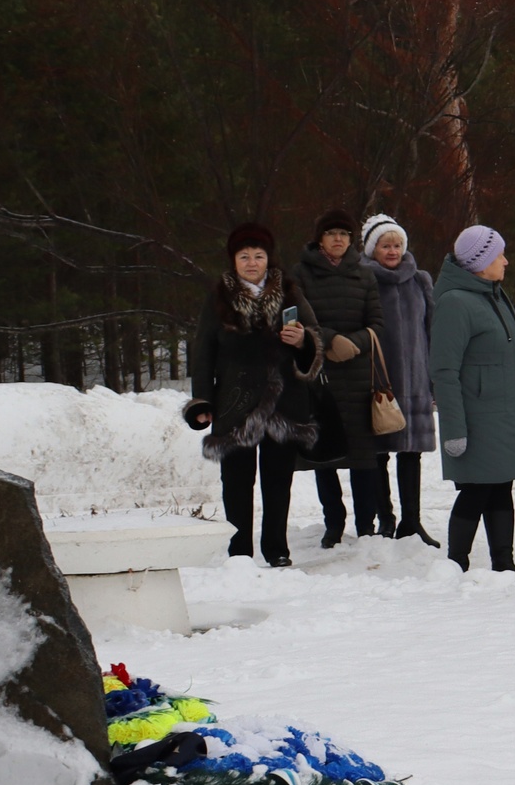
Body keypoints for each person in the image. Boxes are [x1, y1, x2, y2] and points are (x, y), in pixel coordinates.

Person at [186, 222, 320, 566]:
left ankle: (276, 550)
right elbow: (202, 353)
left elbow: (315, 338)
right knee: (236, 483)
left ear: (267, 259)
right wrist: (201, 400)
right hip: (234, 400)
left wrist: (302, 341)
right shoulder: (219, 296)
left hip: (284, 400)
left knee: (278, 482)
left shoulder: (290, 291)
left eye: (258, 255)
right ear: (234, 260)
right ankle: (240, 552)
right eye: (244, 256)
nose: (251, 262)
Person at [427, 224, 515, 581]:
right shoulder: (455, 302)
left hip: (502, 414)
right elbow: (444, 370)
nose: (505, 261)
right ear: (480, 262)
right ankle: (456, 564)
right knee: (476, 489)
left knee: (501, 485)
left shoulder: (493, 294)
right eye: (499, 255)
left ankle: (504, 563)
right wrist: (454, 430)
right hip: (476, 418)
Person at [297, 210, 388, 546]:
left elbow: (378, 323)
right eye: (331, 233)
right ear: (320, 238)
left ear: (352, 240)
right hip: (321, 373)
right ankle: (333, 523)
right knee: (327, 453)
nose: (338, 239)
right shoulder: (301, 274)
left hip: (359, 372)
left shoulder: (364, 276)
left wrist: (356, 343)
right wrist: (330, 339)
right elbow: (298, 320)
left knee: (364, 457)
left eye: (344, 234)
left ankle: (367, 525)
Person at [361, 214, 439, 544]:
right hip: (378, 380)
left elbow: (432, 329)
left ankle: (412, 521)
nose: (392, 251)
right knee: (378, 453)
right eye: (384, 245)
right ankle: (386, 519)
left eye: (397, 245)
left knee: (411, 453)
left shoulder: (420, 280)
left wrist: (434, 378)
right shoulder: (362, 280)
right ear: (371, 249)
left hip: (417, 379)